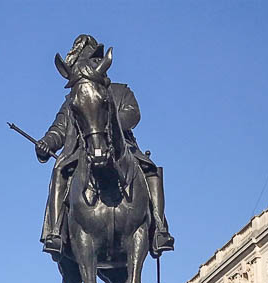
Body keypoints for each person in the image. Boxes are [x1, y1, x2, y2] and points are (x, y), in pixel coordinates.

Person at [36, 33, 174, 260]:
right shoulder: (73, 98)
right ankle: (55, 233)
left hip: (119, 147)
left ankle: (159, 229)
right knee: (60, 171)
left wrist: (109, 124)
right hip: (82, 150)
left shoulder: (121, 91)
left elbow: (133, 113)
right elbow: (59, 129)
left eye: (90, 60)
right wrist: (46, 143)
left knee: (151, 171)